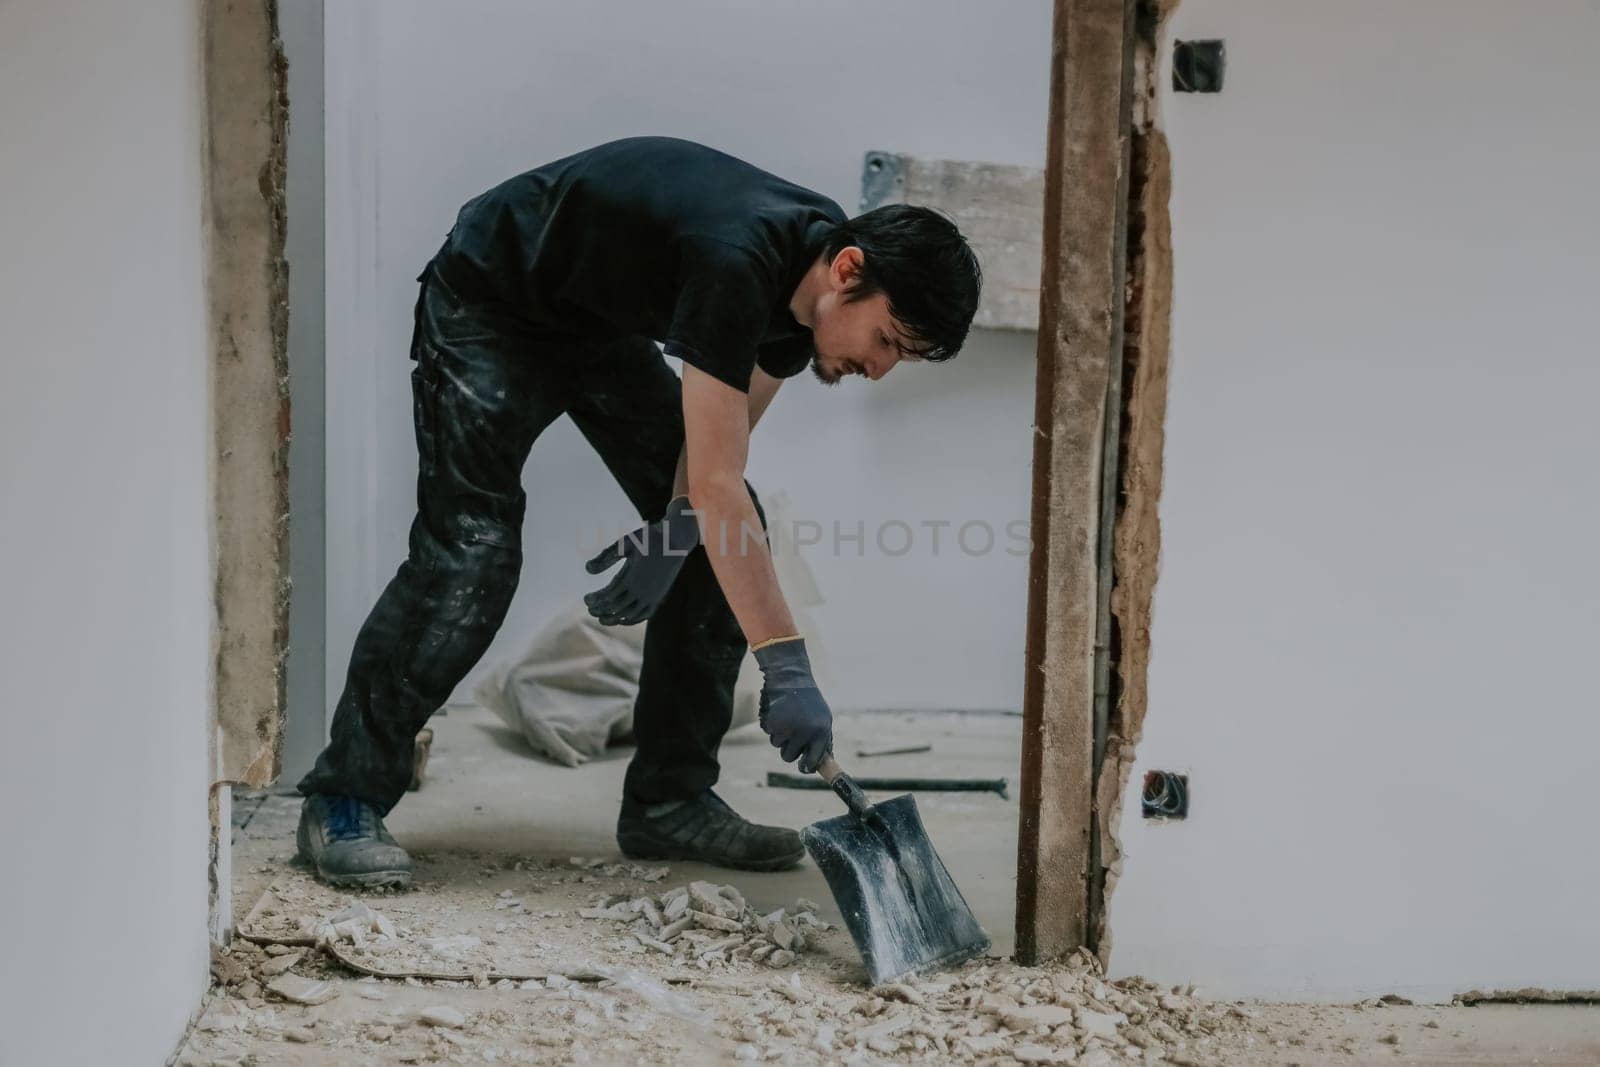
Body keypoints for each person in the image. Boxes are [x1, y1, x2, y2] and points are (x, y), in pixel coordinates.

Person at [294, 136, 982, 887]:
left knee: (722, 533)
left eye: (898, 358)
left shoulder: (805, 283)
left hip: (596, 323)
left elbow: (724, 454)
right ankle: (345, 795)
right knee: (473, 552)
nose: (878, 369)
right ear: (849, 271)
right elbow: (715, 480)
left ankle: (668, 799)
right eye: (885, 340)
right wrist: (785, 665)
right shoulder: (738, 259)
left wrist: (677, 526)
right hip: (490, 302)